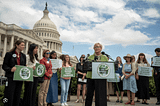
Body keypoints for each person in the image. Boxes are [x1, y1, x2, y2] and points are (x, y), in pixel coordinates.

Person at [2, 40, 26, 106]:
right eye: (22, 45)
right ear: (17, 45)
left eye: (24, 45)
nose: (23, 46)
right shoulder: (9, 54)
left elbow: (23, 66)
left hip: (19, 78)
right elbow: (4, 66)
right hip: (11, 78)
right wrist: (10, 69)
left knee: (17, 95)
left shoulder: (23, 56)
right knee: (9, 95)